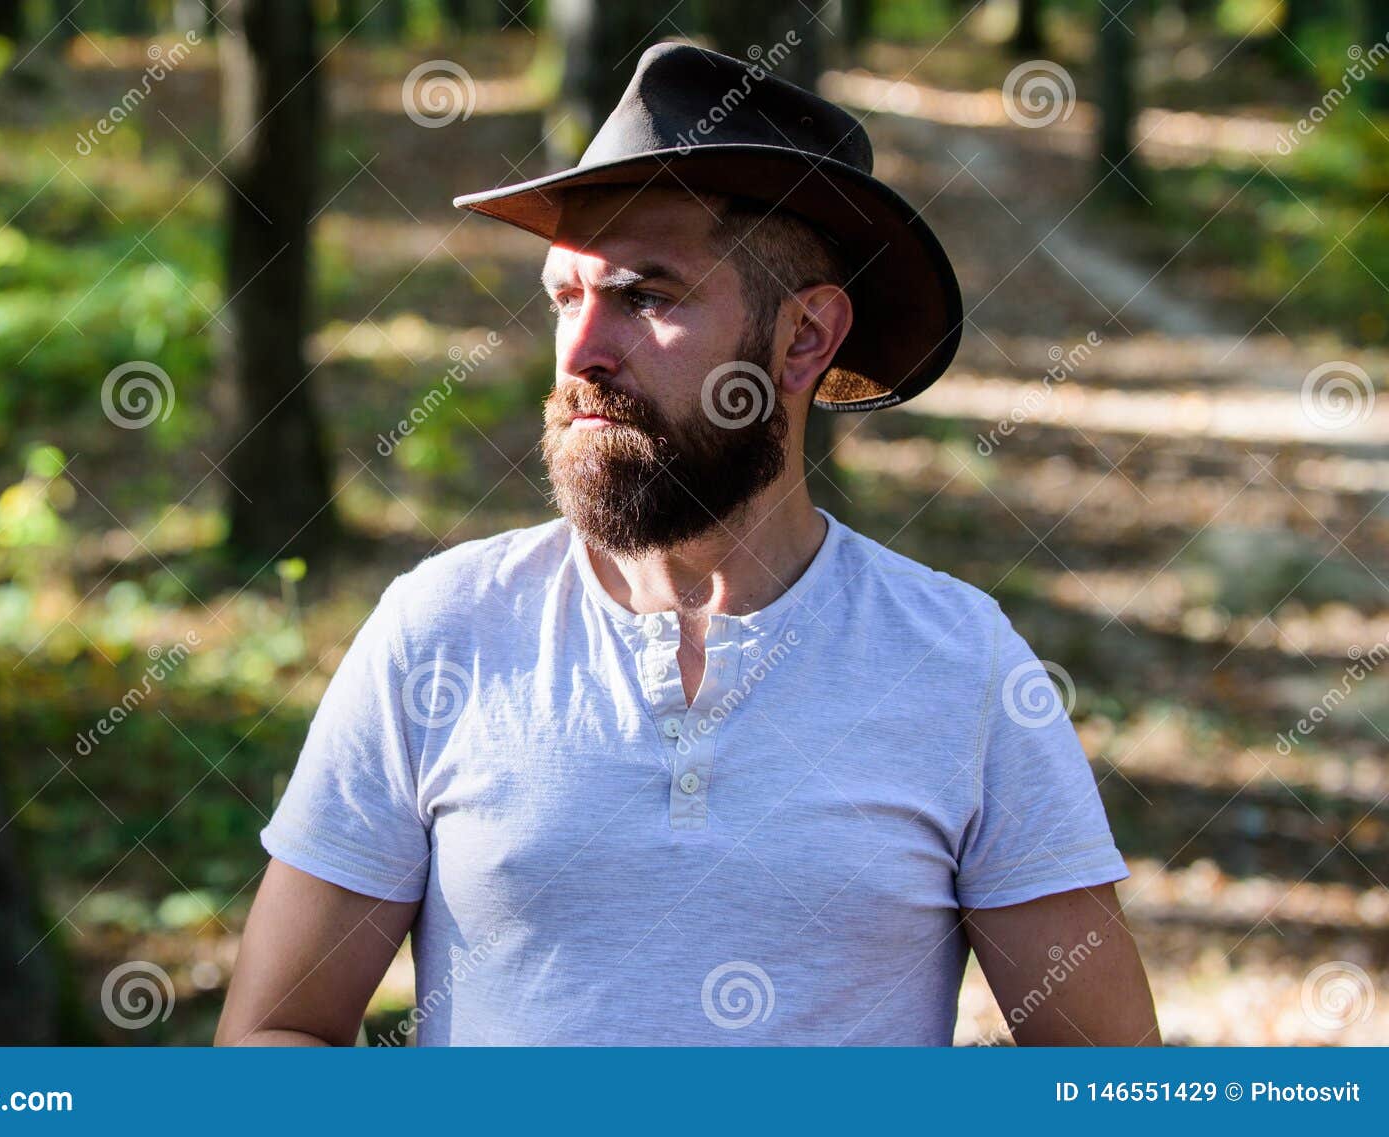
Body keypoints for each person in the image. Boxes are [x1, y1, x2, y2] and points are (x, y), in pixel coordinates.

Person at [216, 41, 1159, 1047]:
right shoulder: (440, 633)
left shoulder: (959, 665)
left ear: (804, 340)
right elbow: (277, 1037)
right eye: (563, 298)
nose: (579, 353)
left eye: (645, 296)